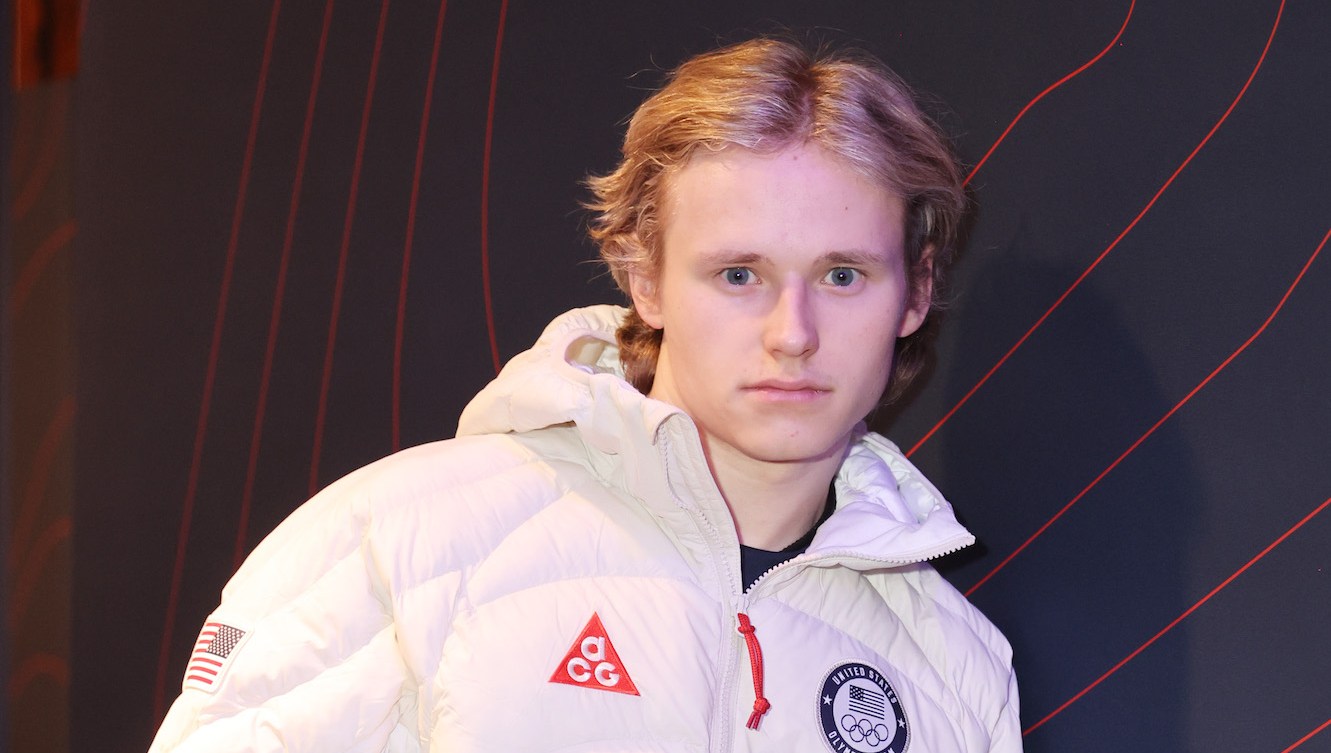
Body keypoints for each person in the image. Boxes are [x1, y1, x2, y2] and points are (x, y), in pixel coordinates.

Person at [149, 37, 1020, 752]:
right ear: (645, 280)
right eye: (738, 274)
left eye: (841, 275)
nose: (792, 333)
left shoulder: (957, 668)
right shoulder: (399, 542)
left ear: (914, 292)